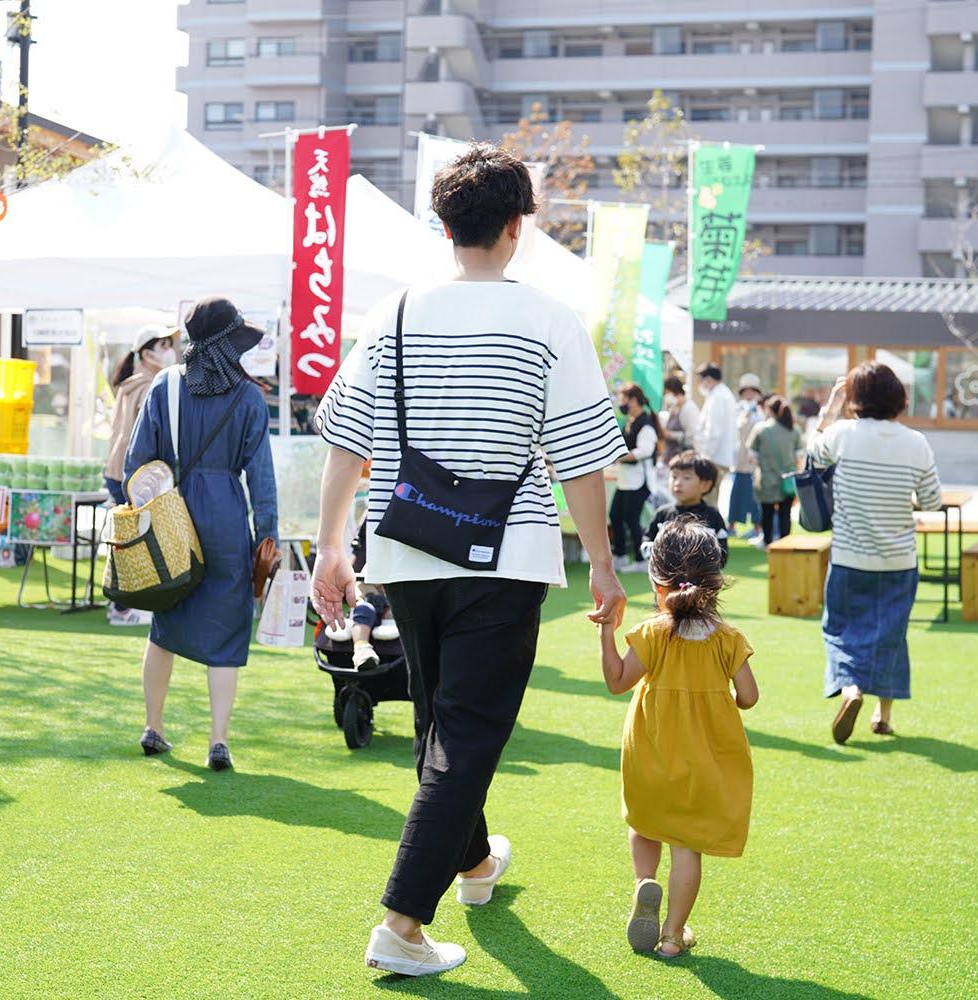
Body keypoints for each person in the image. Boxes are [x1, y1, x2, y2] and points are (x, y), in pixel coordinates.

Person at [309, 143, 627, 978]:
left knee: (442, 723)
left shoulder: (394, 314)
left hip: (407, 547)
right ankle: (401, 924)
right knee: (471, 730)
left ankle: (476, 863)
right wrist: (601, 563)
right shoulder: (551, 319)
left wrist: (332, 546)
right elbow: (583, 460)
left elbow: (346, 441)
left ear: (444, 226)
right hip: (506, 553)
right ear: (518, 228)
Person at [123, 296, 277, 768]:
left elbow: (137, 466)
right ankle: (219, 740)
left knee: (164, 625)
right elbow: (263, 479)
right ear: (229, 344)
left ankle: (154, 726)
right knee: (228, 633)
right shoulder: (249, 397)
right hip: (228, 521)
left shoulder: (165, 387)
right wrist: (266, 538)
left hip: (173, 519)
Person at [599, 517, 758, 958]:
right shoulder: (728, 638)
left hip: (649, 750)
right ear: (715, 580)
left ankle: (643, 883)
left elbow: (616, 681)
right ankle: (672, 935)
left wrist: (604, 630)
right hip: (704, 760)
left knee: (643, 822)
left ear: (657, 580)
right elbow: (749, 697)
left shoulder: (651, 632)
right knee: (686, 847)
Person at [807, 363, 942, 744]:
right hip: (899, 560)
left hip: (850, 557)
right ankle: (882, 717)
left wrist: (831, 406)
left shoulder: (842, 434)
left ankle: (850, 688)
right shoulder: (916, 442)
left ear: (854, 398)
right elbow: (932, 501)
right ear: (898, 397)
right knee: (891, 636)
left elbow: (811, 459)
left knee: (840, 629)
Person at [103, 324, 177, 627]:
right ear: (147, 354)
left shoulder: (128, 384)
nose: (169, 351)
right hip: (133, 473)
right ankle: (122, 607)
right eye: (162, 346)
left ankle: (122, 605)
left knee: (127, 538)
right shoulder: (149, 385)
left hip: (116, 469)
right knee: (134, 540)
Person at [612, 383, 663, 572]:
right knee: (615, 516)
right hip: (625, 479)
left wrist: (619, 456)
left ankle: (642, 560)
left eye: (624, 399)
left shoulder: (645, 423)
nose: (621, 404)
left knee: (632, 519)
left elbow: (645, 451)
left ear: (633, 400)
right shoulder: (630, 421)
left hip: (639, 480)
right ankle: (620, 555)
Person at [645, 452, 728, 567]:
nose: (678, 483)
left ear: (705, 485)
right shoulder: (662, 514)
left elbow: (722, 553)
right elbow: (647, 541)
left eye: (686, 477)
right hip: (666, 581)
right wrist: (660, 557)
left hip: (701, 581)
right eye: (674, 476)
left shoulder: (713, 517)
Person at [747, 394, 804, 549]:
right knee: (785, 514)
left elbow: (752, 457)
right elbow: (800, 457)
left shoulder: (761, 429)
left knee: (767, 513)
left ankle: (768, 542)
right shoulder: (794, 429)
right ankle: (785, 543)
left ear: (769, 410)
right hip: (788, 479)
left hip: (766, 478)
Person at [727, 374, 764, 538]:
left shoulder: (761, 411)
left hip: (754, 460)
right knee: (736, 493)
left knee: (755, 494)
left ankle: (756, 527)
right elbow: (734, 429)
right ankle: (732, 525)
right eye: (746, 391)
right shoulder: (737, 409)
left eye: (752, 391)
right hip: (739, 459)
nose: (749, 394)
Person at [693, 363, 737, 479]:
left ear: (708, 380)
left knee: (709, 495)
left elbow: (713, 431)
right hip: (719, 456)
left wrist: (706, 456)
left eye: (700, 381)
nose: (699, 385)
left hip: (714, 458)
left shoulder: (718, 397)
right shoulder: (722, 394)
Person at [660, 375, 699, 453]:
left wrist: (671, 435)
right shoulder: (675, 407)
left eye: (667, 393)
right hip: (671, 453)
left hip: (683, 454)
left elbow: (691, 435)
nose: (666, 396)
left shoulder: (689, 408)